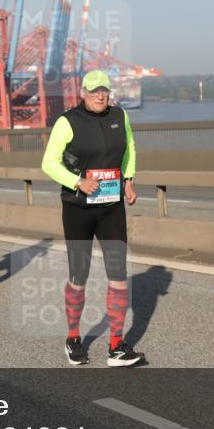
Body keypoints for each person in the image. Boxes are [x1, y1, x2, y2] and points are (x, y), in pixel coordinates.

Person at [41, 70, 144, 368]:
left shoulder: (120, 116)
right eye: (95, 90)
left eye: (105, 91)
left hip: (111, 207)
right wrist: (77, 181)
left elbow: (130, 148)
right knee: (79, 275)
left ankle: (116, 346)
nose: (101, 95)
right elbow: (48, 162)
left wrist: (129, 179)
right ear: (83, 92)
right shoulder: (67, 121)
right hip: (78, 208)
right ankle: (73, 338)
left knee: (119, 275)